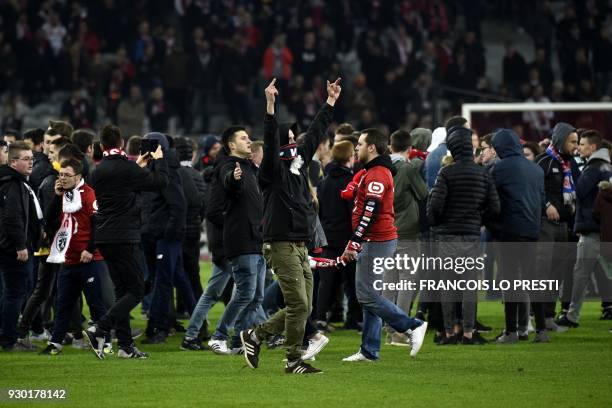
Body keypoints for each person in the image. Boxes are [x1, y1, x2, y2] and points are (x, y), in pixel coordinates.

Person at [240, 77, 340, 375]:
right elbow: (271, 141)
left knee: (303, 307)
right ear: (288, 139)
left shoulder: (298, 163)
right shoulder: (272, 170)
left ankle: (255, 335)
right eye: (295, 136)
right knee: (299, 305)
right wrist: (270, 106)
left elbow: (317, 132)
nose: (301, 140)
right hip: (281, 243)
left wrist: (331, 101)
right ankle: (293, 360)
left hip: (299, 243)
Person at [341, 128, 428, 362]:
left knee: (366, 295)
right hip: (377, 239)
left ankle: (412, 326)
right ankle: (370, 350)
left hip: (376, 240)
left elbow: (371, 210)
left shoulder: (378, 173)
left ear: (372, 147)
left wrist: (355, 241)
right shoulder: (372, 170)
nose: (356, 147)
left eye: (360, 144)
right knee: (371, 295)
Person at [84, 124, 168, 359]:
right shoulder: (128, 169)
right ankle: (100, 328)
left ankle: (125, 345)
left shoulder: (96, 171)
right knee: (137, 289)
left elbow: (120, 185)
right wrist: (159, 160)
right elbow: (160, 182)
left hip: (104, 236)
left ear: (102, 146)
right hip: (124, 235)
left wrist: (137, 166)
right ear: (121, 144)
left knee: (123, 290)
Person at [427, 126, 500, 345]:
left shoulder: (446, 173)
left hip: (448, 237)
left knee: (448, 286)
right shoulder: (483, 173)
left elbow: (435, 206)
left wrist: (437, 223)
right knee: (469, 286)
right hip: (471, 236)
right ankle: (469, 331)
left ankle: (450, 332)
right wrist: (478, 220)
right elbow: (495, 207)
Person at [40, 158, 107, 355]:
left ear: (78, 176)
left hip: (89, 259)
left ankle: (105, 342)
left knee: (96, 303)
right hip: (68, 258)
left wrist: (89, 248)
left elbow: (98, 224)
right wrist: (56, 196)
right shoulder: (63, 194)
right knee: (63, 304)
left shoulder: (88, 195)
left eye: (66, 175)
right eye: (60, 175)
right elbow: (49, 218)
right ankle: (55, 343)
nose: (62, 179)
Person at [207, 126, 265, 355]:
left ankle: (238, 341)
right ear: (231, 145)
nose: (249, 141)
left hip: (257, 240)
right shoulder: (228, 167)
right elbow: (228, 182)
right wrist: (234, 178)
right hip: (242, 242)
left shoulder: (250, 168)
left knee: (257, 296)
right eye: (243, 138)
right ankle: (219, 335)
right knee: (245, 293)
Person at [491, 129, 548, 343]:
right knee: (533, 281)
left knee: (510, 281)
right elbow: (541, 202)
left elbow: (492, 201)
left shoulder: (499, 169)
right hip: (532, 231)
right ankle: (541, 330)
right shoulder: (535, 170)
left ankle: (511, 331)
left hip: (509, 232)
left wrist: (493, 225)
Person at [141, 132, 193, 344]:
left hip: (164, 236)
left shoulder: (167, 172)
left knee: (162, 282)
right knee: (178, 279)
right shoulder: (162, 169)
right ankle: (198, 325)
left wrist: (167, 233)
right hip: (159, 235)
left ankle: (158, 328)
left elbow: (178, 206)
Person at [557, 130, 612, 328]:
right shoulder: (607, 165)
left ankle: (572, 316)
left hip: (593, 230)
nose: (578, 147)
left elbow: (579, 191)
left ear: (593, 147)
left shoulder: (593, 168)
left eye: (582, 144)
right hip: (605, 229)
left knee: (580, 273)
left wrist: (570, 167)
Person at [384, 129, 429, 346]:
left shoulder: (381, 167)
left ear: (390, 146)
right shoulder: (408, 169)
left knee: (389, 282)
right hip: (407, 233)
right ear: (410, 149)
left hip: (386, 232)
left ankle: (387, 327)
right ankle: (400, 332)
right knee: (406, 281)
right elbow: (424, 194)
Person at [534, 123, 580, 332]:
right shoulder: (543, 161)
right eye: (572, 142)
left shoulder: (570, 164)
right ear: (561, 140)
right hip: (545, 225)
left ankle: (549, 317)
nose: (576, 146)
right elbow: (534, 188)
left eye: (577, 142)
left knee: (556, 275)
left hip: (563, 225)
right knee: (542, 273)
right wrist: (547, 205)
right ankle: (536, 318)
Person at [0, 141, 42, 351]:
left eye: (32, 158)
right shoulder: (13, 183)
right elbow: (12, 218)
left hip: (11, 246)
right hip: (13, 249)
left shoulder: (13, 181)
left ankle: (7, 336)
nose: (31, 162)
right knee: (14, 293)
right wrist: (20, 245)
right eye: (26, 159)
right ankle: (9, 340)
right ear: (13, 161)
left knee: (11, 292)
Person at [316, 140, 361, 331]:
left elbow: (320, 210)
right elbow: (353, 212)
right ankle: (355, 319)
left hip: (328, 237)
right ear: (349, 157)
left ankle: (319, 318)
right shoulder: (350, 183)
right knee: (352, 282)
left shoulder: (324, 181)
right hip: (346, 239)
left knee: (326, 282)